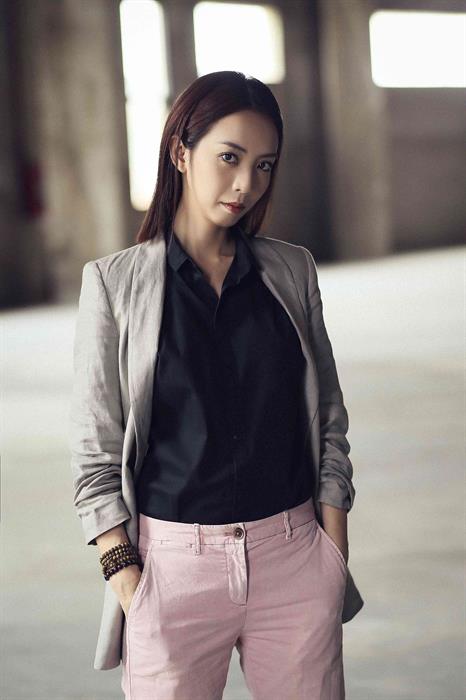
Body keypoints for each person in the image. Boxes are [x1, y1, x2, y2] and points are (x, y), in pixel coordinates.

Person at [69, 70, 364, 700]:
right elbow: (95, 455)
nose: (245, 184)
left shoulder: (292, 271)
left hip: (294, 561)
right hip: (171, 575)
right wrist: (128, 580)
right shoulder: (114, 286)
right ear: (181, 152)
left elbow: (329, 418)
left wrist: (330, 556)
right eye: (229, 157)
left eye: (263, 165)